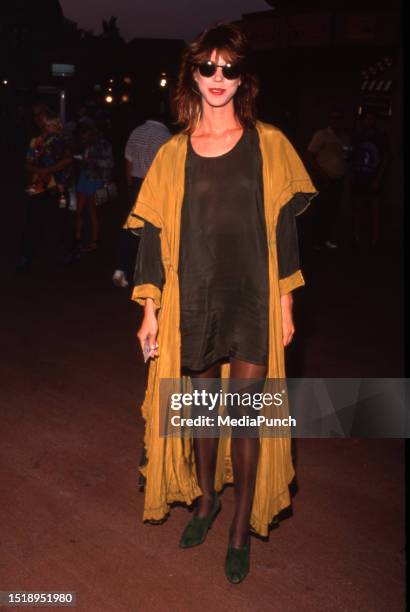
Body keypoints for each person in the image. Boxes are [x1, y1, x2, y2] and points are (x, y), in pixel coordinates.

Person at [126, 23, 316, 583]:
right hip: (196, 296)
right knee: (203, 410)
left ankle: (239, 527)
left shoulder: (270, 144)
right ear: (192, 74)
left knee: (246, 417)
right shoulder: (173, 152)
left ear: (243, 79)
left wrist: (285, 303)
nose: (217, 78)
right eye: (207, 67)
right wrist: (149, 308)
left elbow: (284, 232)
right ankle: (206, 501)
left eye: (229, 68)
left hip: (253, 295)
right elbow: (152, 236)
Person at [112, 112, 171, 287]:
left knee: (132, 226)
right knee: (157, 230)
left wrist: (130, 184)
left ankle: (120, 269)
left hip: (137, 184)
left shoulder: (136, 132)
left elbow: (128, 161)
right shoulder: (166, 137)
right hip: (156, 187)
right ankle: (153, 275)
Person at [18, 110, 74, 268]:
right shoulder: (35, 141)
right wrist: (39, 171)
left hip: (57, 187)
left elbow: (68, 160)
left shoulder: (62, 141)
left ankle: (70, 251)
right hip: (38, 187)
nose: (53, 127)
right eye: (50, 124)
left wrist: (48, 170)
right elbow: (27, 164)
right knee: (32, 222)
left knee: (62, 221)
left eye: (55, 124)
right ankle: (26, 255)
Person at [306, 109, 349, 249]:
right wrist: (321, 174)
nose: (336, 121)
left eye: (339, 118)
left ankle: (327, 238)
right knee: (321, 210)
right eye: (333, 118)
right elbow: (310, 155)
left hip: (338, 179)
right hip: (324, 179)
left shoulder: (344, 137)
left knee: (333, 210)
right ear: (330, 120)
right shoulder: (321, 135)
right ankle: (315, 240)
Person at [351, 110, 390, 249]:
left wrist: (378, 179)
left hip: (373, 178)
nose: (369, 121)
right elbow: (353, 155)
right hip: (359, 177)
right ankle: (356, 238)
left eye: (371, 119)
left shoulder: (381, 137)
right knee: (358, 207)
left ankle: (376, 240)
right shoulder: (359, 136)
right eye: (366, 119)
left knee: (375, 209)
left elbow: (385, 159)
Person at [74, 123, 113, 252]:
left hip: (95, 180)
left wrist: (92, 161)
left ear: (90, 132)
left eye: (85, 134)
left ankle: (94, 241)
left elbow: (109, 163)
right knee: (78, 211)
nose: (83, 136)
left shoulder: (103, 144)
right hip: (84, 178)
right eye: (81, 135)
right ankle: (77, 239)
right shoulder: (83, 143)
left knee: (92, 212)